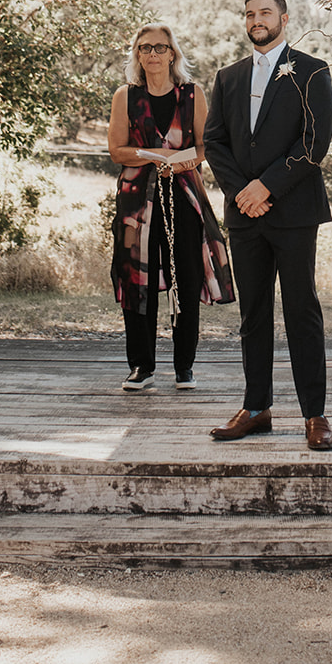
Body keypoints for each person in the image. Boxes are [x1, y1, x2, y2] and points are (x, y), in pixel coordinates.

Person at [202, 0, 332, 452]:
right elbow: (214, 142)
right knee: (252, 315)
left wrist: (268, 187)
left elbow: (315, 141)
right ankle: (256, 408)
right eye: (249, 14)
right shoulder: (228, 77)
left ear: (284, 18)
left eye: (265, 12)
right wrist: (243, 192)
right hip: (245, 214)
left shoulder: (312, 70)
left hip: (294, 212)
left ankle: (314, 414)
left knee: (302, 312)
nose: (256, 20)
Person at [108, 22, 233, 391]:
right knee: (137, 279)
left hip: (183, 195)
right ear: (137, 54)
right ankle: (141, 367)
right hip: (136, 202)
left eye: (159, 47)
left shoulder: (192, 94)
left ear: (172, 53)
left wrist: (176, 163)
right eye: (145, 48)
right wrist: (158, 154)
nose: (152, 54)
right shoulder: (125, 96)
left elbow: (206, 146)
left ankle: (184, 367)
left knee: (186, 277)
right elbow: (116, 150)